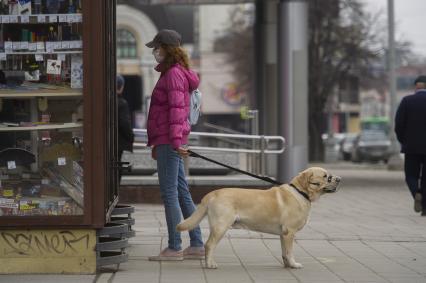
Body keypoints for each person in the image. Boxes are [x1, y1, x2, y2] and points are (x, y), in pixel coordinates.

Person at [145, 29, 204, 260]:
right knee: (181, 192)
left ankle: (174, 246)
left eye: (156, 48)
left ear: (166, 48)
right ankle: (197, 244)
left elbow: (177, 112)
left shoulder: (172, 75)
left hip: (170, 140)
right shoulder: (177, 72)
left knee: (169, 193)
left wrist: (175, 142)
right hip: (170, 140)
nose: (154, 52)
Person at [395, 75, 426, 216]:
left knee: (411, 176)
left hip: (411, 147)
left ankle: (417, 193)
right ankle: (425, 207)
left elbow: (399, 125)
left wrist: (404, 141)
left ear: (416, 87)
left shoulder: (407, 101)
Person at [117, 75, 134, 178]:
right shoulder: (122, 103)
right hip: (119, 144)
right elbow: (124, 124)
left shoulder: (105, 101)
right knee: (116, 168)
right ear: (121, 87)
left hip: (106, 144)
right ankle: (114, 194)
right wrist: (131, 137)